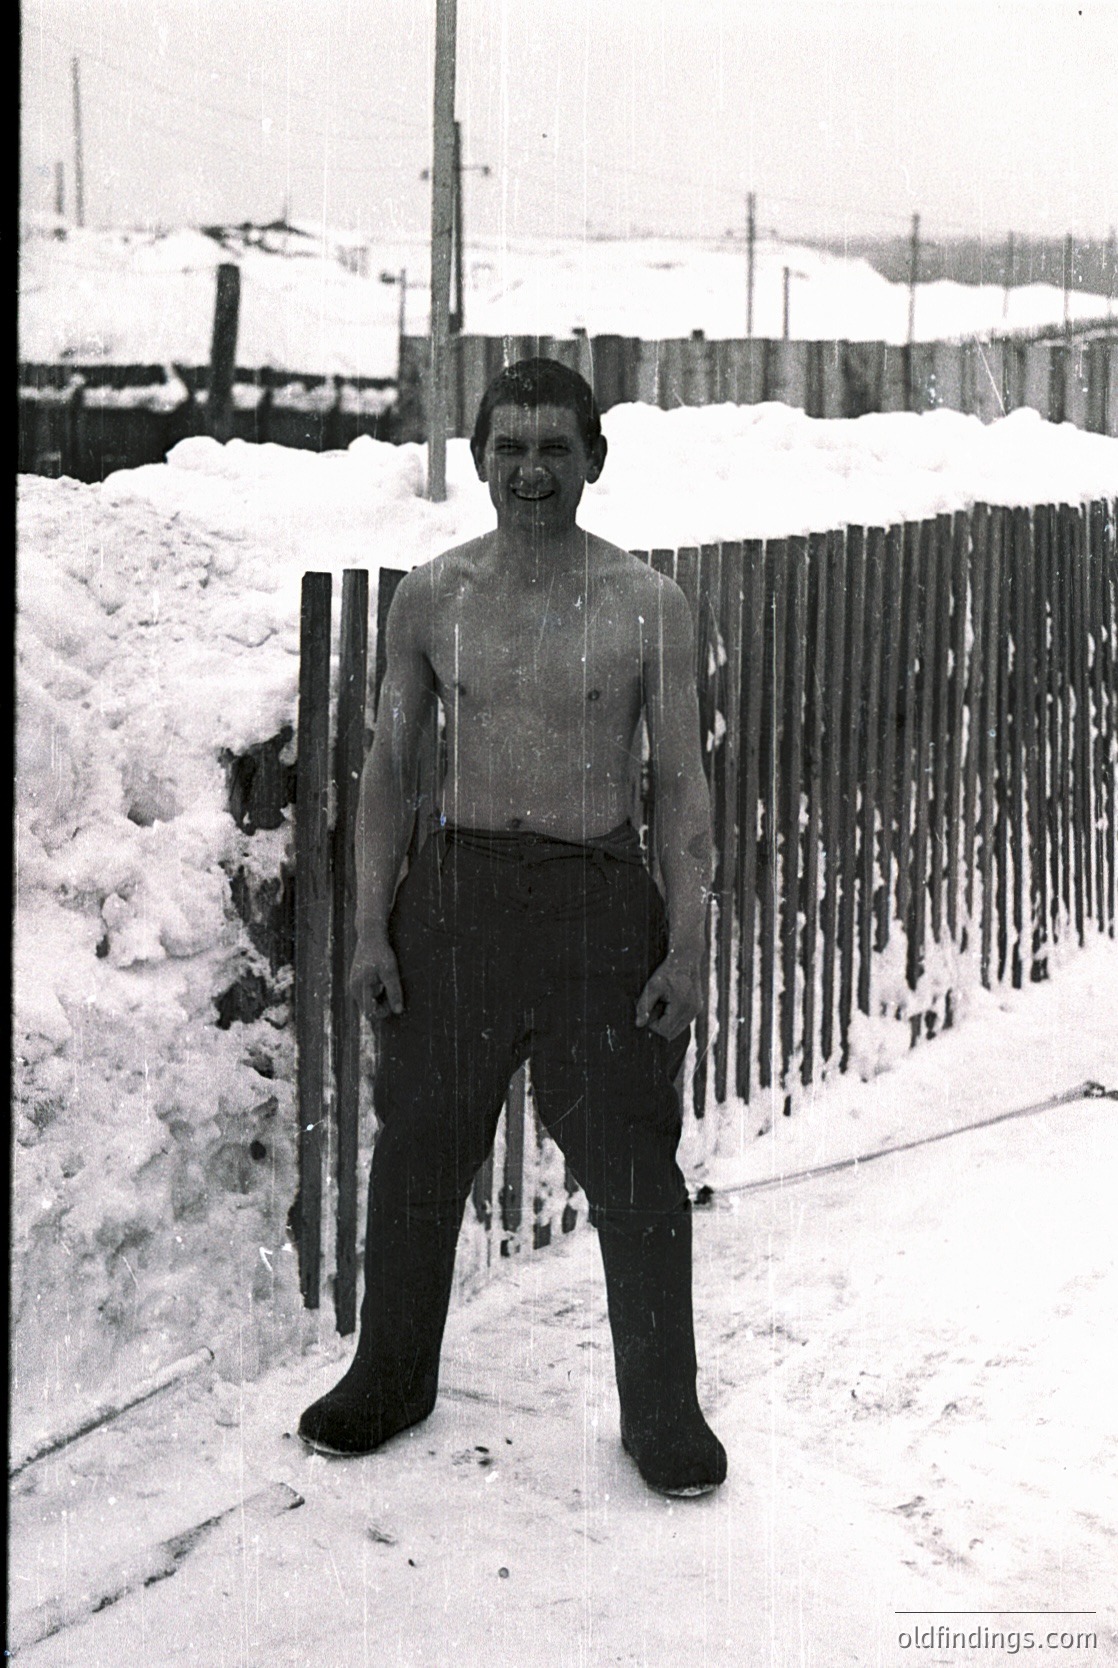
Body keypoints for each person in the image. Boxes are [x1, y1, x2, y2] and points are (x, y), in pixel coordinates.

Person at [298, 358, 726, 1496]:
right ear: (480, 458)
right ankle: (388, 1377)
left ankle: (661, 1414)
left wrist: (685, 947)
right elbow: (389, 769)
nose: (530, 469)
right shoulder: (435, 595)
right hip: (458, 898)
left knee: (630, 1163)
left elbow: (680, 784)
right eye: (509, 447)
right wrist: (368, 931)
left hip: (596, 899)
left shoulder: (646, 603)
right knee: (419, 1153)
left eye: (553, 446)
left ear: (593, 459)